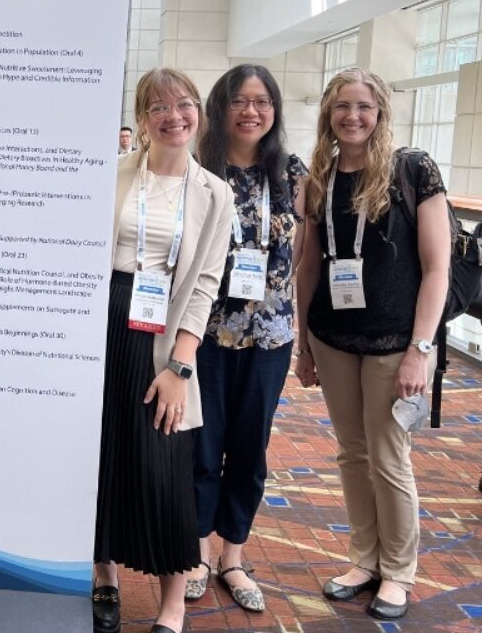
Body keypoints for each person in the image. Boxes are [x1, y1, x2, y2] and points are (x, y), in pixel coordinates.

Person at [295, 68, 449, 621]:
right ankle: (364, 559)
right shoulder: (319, 175)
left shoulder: (413, 169)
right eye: (341, 106)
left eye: (363, 106)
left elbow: (437, 270)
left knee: (388, 457)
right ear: (328, 114)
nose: (352, 116)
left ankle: (399, 572)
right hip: (333, 337)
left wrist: (420, 350)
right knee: (351, 453)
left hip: (393, 341)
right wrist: (303, 344)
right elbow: (307, 264)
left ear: (380, 111)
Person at [93, 68, 234, 633]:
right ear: (141, 119)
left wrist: (181, 365)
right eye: (158, 107)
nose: (173, 116)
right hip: (105, 317)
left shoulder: (214, 192)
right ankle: (103, 576)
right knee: (100, 455)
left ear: (198, 111)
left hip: (165, 329)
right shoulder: (113, 174)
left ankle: (171, 604)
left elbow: (205, 283)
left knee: (163, 465)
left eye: (183, 104)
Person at [185, 65, 308, 612]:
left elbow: (306, 257)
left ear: (275, 110)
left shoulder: (293, 173)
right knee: (201, 448)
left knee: (249, 451)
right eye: (239, 100)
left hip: (269, 338)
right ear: (220, 107)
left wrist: (303, 335)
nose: (250, 111)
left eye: (262, 101)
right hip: (205, 334)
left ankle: (231, 555)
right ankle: (195, 555)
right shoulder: (196, 169)